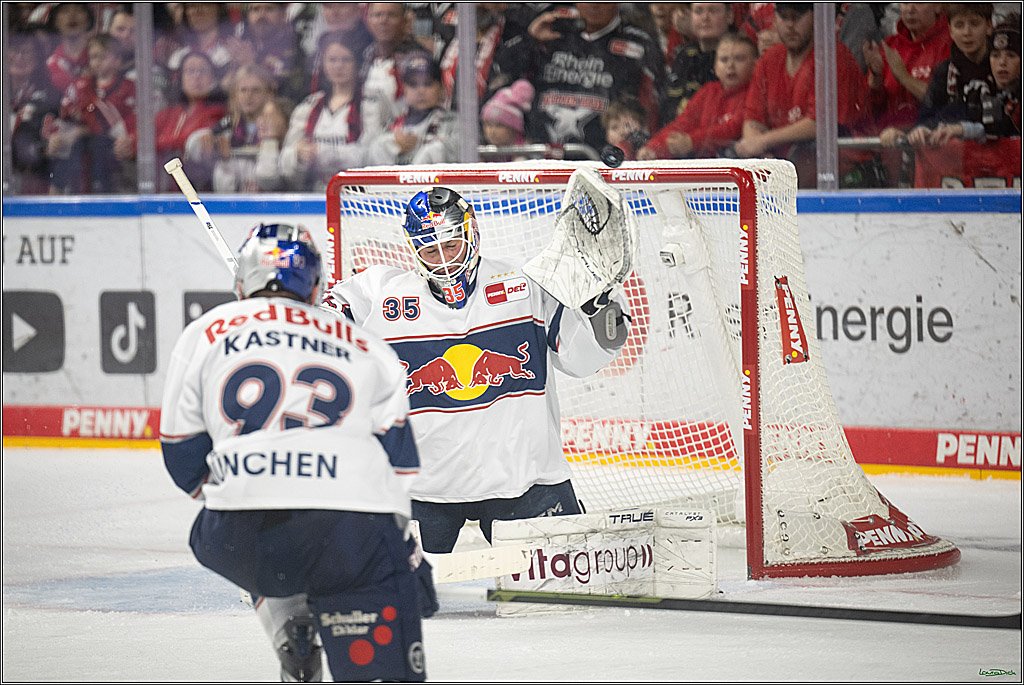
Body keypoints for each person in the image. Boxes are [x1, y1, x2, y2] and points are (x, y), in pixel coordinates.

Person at [160, 222, 430, 682]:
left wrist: (247, 483)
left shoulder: (203, 332)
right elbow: (400, 463)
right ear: (317, 285)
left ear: (242, 282)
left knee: (273, 546)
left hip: (236, 535)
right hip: (351, 531)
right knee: (375, 577)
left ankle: (289, 622)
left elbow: (181, 454)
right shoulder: (364, 344)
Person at [321, 187, 631, 554]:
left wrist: (599, 310)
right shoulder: (380, 292)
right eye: (430, 251)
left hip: (524, 480)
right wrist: (285, 312)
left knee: (560, 600)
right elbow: (318, 321)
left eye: (450, 246)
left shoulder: (526, 282)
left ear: (472, 234)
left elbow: (582, 358)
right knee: (386, 599)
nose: (444, 262)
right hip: (422, 488)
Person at [735, 2, 872, 188]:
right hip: (787, 177)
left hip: (846, 178)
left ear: (816, 17)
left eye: (797, 17)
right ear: (775, 19)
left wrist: (763, 141)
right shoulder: (769, 59)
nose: (790, 25)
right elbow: (752, 120)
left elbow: (820, 125)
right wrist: (762, 157)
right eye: (784, 17)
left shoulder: (834, 56)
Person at [525, 3, 665, 154]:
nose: (594, 5)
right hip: (540, 153)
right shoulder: (551, 34)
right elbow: (510, 83)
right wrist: (530, 40)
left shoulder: (638, 43)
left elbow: (654, 104)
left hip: (606, 158)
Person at [279, 31, 375, 191]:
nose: (338, 66)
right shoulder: (308, 106)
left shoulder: (371, 103)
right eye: (332, 60)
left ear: (357, 63)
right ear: (323, 63)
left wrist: (323, 154)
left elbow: (374, 156)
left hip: (358, 199)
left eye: (346, 59)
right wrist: (298, 154)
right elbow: (284, 162)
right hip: (312, 197)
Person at [640, 32, 758, 160]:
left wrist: (692, 142)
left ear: (755, 64)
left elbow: (732, 129)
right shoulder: (708, 91)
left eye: (739, 59)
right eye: (724, 60)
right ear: (716, 67)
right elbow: (683, 124)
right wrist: (653, 147)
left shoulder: (755, 92)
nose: (730, 66)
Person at [868, 3, 952, 179]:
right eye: (905, 2)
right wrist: (875, 80)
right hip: (890, 151)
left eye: (919, 2)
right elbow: (868, 112)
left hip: (936, 152)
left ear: (938, 6)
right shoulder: (889, 46)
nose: (910, 9)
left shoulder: (951, 44)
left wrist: (904, 77)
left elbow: (944, 103)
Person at [46, 33, 136, 194]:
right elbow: (65, 115)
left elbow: (117, 124)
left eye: (103, 56)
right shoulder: (80, 86)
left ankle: (100, 192)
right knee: (73, 148)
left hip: (114, 147)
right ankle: (56, 193)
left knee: (92, 144)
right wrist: (56, 136)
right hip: (80, 145)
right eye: (93, 56)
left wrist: (83, 128)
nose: (97, 61)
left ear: (118, 60)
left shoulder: (129, 87)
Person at [364, 56, 458, 166]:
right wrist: (392, 143)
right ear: (404, 89)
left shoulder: (455, 123)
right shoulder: (392, 125)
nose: (421, 91)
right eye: (413, 84)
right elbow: (370, 159)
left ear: (441, 88)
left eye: (428, 84)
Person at [155, 51, 227, 192]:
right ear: (180, 78)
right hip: (162, 190)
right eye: (190, 71)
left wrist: (161, 143)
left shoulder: (218, 112)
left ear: (214, 78)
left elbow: (190, 141)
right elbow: (144, 138)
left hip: (198, 190)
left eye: (203, 71)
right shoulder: (170, 112)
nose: (196, 76)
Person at [662, 2, 734, 122]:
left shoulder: (740, 54)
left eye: (713, 10)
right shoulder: (684, 54)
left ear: (730, 16)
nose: (705, 18)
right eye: (698, 11)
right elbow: (667, 107)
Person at [8, 31, 61, 194]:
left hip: (32, 176)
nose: (19, 57)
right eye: (14, 51)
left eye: (26, 52)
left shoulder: (51, 95)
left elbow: (45, 146)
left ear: (38, 59)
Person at [45, 2, 95, 95]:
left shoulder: (101, 55)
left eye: (79, 10)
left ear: (88, 19)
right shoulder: (51, 62)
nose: (72, 15)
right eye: (65, 11)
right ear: (55, 21)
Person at [480, 78, 535, 153]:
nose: (492, 131)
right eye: (488, 125)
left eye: (499, 126)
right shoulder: (484, 152)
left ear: (515, 129)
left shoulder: (525, 153)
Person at [600, 96, 650, 160]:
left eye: (628, 125)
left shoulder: (649, 151)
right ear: (607, 135)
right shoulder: (605, 157)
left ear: (643, 127)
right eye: (614, 128)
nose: (622, 132)